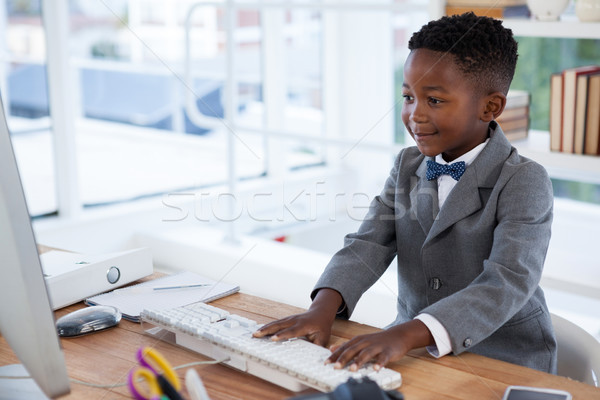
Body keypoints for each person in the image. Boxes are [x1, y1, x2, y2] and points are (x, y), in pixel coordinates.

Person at [253, 12, 557, 374]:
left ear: (490, 107)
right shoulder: (407, 165)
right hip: (412, 348)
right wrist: (322, 309)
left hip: (501, 357)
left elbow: (506, 283)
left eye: (435, 100)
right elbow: (367, 244)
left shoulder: (525, 180)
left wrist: (405, 334)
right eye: (408, 96)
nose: (415, 114)